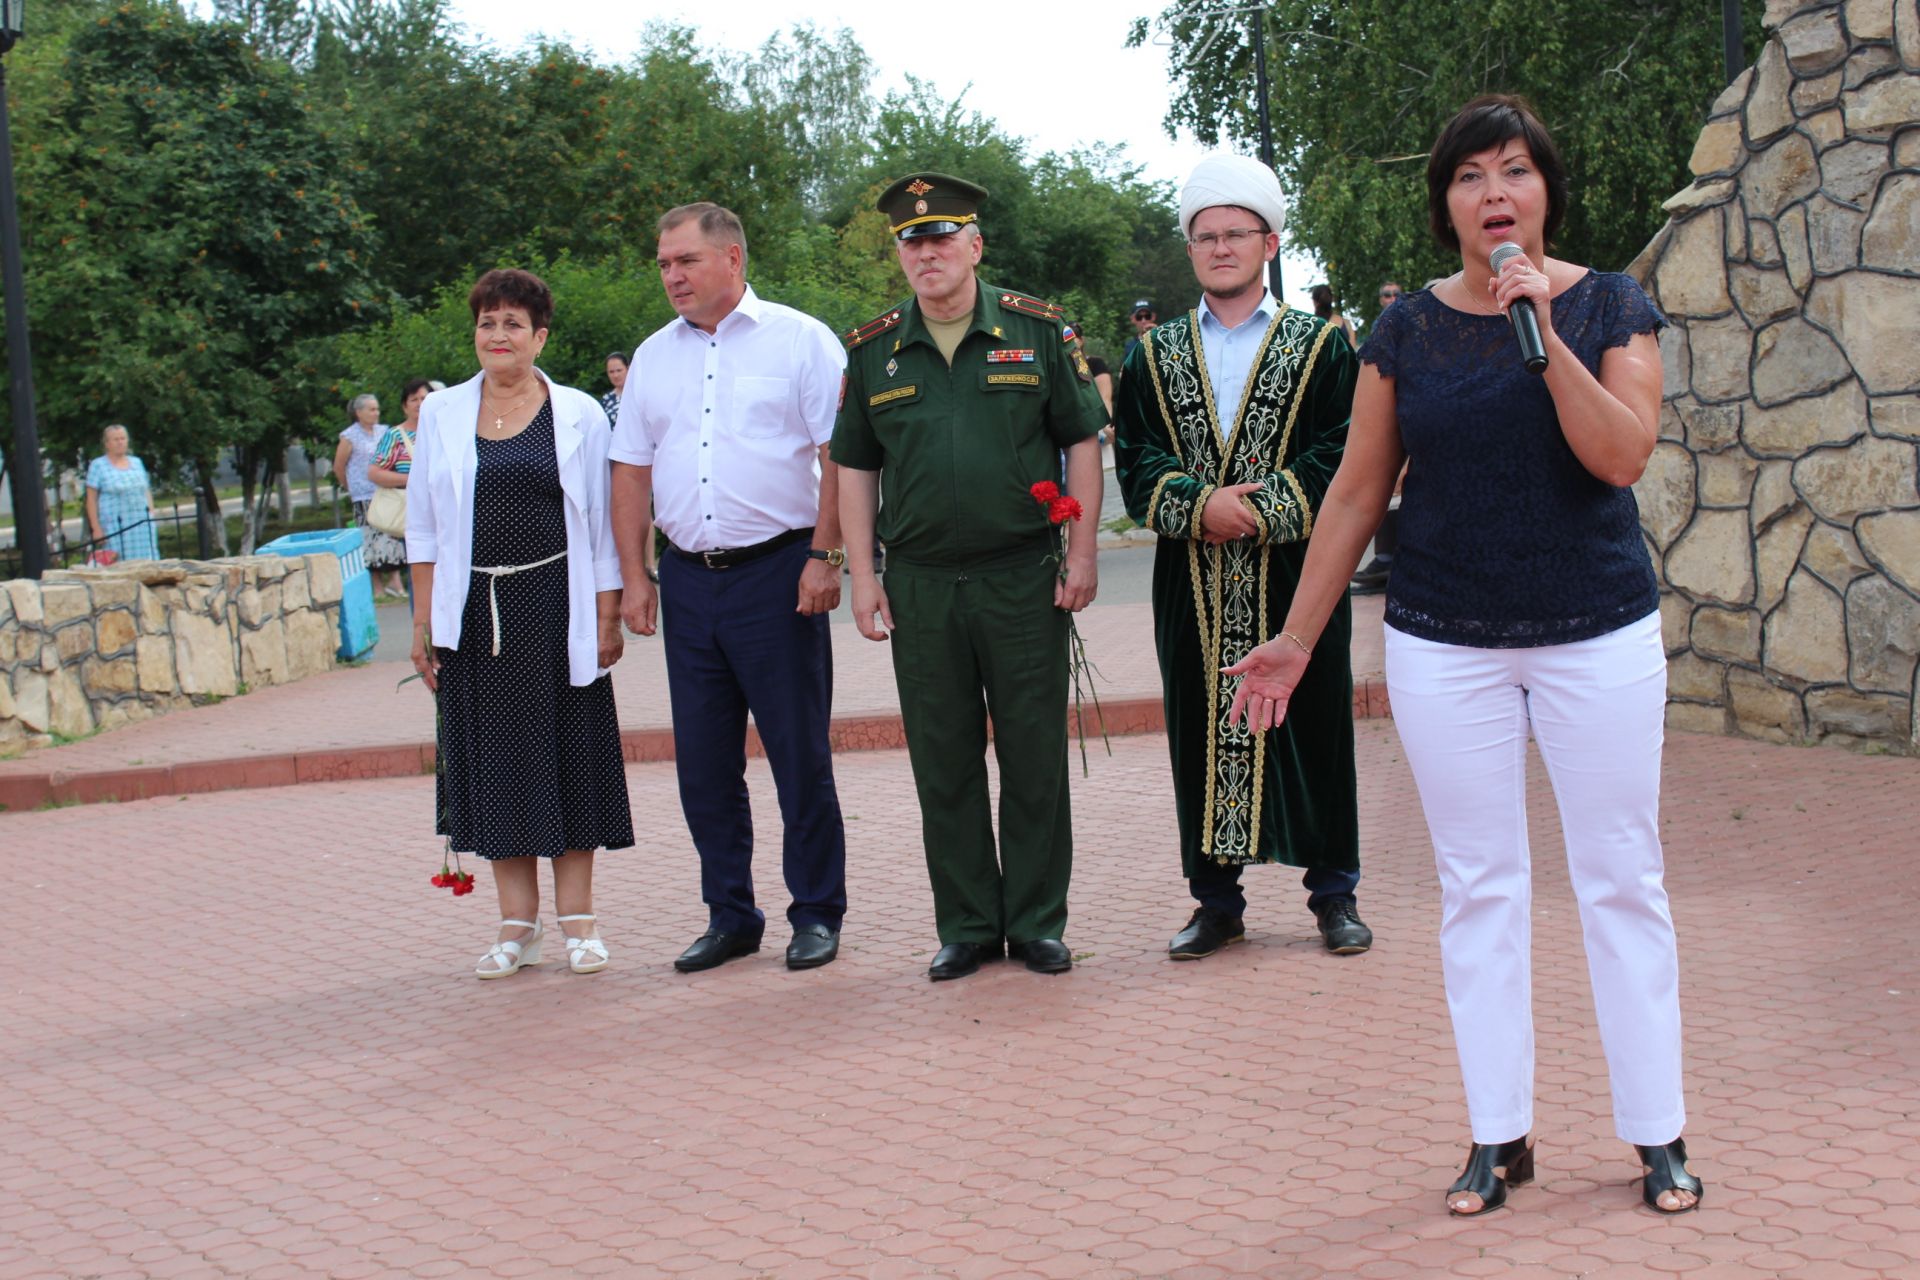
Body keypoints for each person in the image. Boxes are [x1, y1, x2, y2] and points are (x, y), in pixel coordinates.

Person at [1223, 95, 1699, 1218]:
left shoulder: (1611, 306)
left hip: (1598, 632)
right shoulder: (1404, 333)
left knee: (1620, 877)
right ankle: (1500, 1132)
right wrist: (1295, 637)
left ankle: (1658, 1129)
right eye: (1472, 176)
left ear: (1545, 192)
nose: (1495, 192)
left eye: (1516, 171)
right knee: (1479, 887)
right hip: (1447, 641)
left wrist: (1543, 342)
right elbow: (1355, 490)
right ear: (1447, 205)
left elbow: (1621, 455)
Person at [833, 173, 1107, 982]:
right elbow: (854, 467)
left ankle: (1035, 921)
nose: (928, 253)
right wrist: (863, 574)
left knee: (1032, 758)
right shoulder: (875, 349)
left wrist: (1084, 551)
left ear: (975, 245)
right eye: (912, 242)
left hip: (1023, 578)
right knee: (942, 761)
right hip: (919, 584)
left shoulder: (1037, 333)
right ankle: (966, 924)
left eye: (943, 237)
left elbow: (1083, 442)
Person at [1113, 153, 1370, 964]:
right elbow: (1139, 461)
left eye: (1236, 233)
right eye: (1205, 235)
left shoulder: (1320, 346)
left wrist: (1266, 510)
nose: (1221, 247)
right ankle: (1216, 902)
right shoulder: (1151, 356)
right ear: (1190, 248)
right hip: (1189, 579)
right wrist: (1202, 506)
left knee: (1317, 721)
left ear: (1270, 242)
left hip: (1300, 577)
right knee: (1199, 724)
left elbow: (1346, 449)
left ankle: (1335, 895)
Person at [609, 203, 850, 975]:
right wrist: (634, 576)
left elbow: (839, 456)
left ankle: (815, 912)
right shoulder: (653, 356)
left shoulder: (800, 339)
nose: (672, 276)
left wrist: (826, 555)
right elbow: (632, 470)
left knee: (797, 755)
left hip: (779, 573)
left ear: (734, 258)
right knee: (705, 765)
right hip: (687, 579)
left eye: (686, 261)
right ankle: (730, 914)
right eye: (664, 264)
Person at [405, 268, 632, 980]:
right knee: (495, 767)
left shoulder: (577, 415)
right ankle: (515, 927)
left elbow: (598, 524)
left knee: (570, 762)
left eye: (512, 324)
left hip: (556, 609)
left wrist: (606, 615)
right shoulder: (441, 415)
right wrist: (422, 622)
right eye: (486, 323)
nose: (496, 336)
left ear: (539, 337)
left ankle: (581, 926)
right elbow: (424, 527)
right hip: (474, 618)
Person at [1351, 280, 1405, 593]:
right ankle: (1383, 559)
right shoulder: (1384, 329)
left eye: (1397, 294)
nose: (1392, 299)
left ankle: (1387, 559)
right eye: (1387, 294)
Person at [335, 394, 407, 597]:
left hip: (386, 492)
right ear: (359, 412)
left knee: (390, 534)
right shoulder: (350, 436)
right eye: (371, 409)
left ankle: (395, 582)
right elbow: (339, 465)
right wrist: (350, 486)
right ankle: (377, 587)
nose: (376, 413)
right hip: (363, 496)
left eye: (377, 409)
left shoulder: (385, 431)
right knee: (370, 539)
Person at [369, 380, 429, 607]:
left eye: (424, 398)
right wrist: (412, 481)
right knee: (421, 568)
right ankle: (422, 629)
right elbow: (374, 472)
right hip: (413, 513)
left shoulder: (446, 431)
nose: (420, 404)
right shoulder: (395, 436)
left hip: (446, 511)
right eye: (414, 399)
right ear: (405, 406)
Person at [85, 425, 160, 562]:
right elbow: (91, 499)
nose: (120, 442)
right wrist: (96, 528)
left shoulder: (137, 462)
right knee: (120, 562)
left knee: (148, 562)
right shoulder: (98, 465)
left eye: (123, 438)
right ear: (107, 443)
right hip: (115, 525)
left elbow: (145, 490)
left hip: (141, 523)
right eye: (115, 439)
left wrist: (151, 513)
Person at [1310, 284, 1356, 348]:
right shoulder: (1346, 324)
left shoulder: (1309, 326)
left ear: (1314, 302)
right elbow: (1352, 354)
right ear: (1332, 299)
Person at [601, 351, 628, 427]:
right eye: (611, 372)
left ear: (628, 369)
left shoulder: (638, 395)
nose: (615, 375)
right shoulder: (606, 400)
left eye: (619, 370)